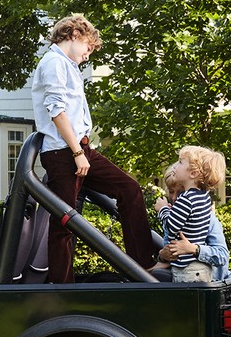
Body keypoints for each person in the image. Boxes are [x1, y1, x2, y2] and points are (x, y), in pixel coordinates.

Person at [30, 14, 155, 282]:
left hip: (81, 150)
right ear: (74, 35)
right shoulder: (53, 63)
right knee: (65, 220)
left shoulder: (69, 65)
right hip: (63, 152)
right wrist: (77, 153)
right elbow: (56, 111)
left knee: (129, 188)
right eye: (88, 48)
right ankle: (61, 286)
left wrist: (81, 151)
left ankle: (143, 265)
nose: (88, 55)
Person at [154, 146, 227, 282]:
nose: (175, 198)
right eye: (171, 191)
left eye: (181, 193)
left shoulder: (190, 203)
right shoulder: (202, 198)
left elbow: (222, 256)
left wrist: (194, 249)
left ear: (193, 174)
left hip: (196, 273)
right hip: (189, 271)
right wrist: (163, 256)